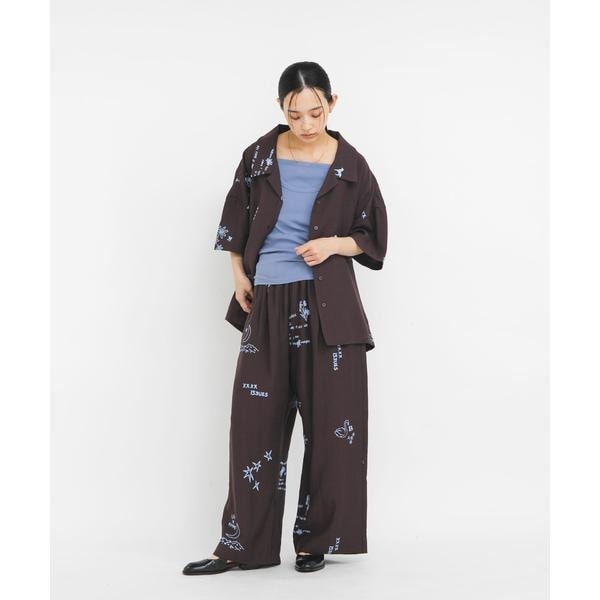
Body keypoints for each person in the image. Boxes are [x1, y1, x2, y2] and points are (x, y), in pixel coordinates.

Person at [183, 61, 388, 576]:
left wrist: (333, 244)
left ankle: (316, 541)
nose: (306, 123)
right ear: (281, 108)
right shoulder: (258, 156)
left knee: (333, 428)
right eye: (295, 114)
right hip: (268, 302)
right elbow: (235, 219)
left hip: (330, 309)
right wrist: (238, 274)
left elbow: (372, 236)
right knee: (253, 427)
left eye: (316, 112)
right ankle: (241, 546)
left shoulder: (352, 165)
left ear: (332, 104)